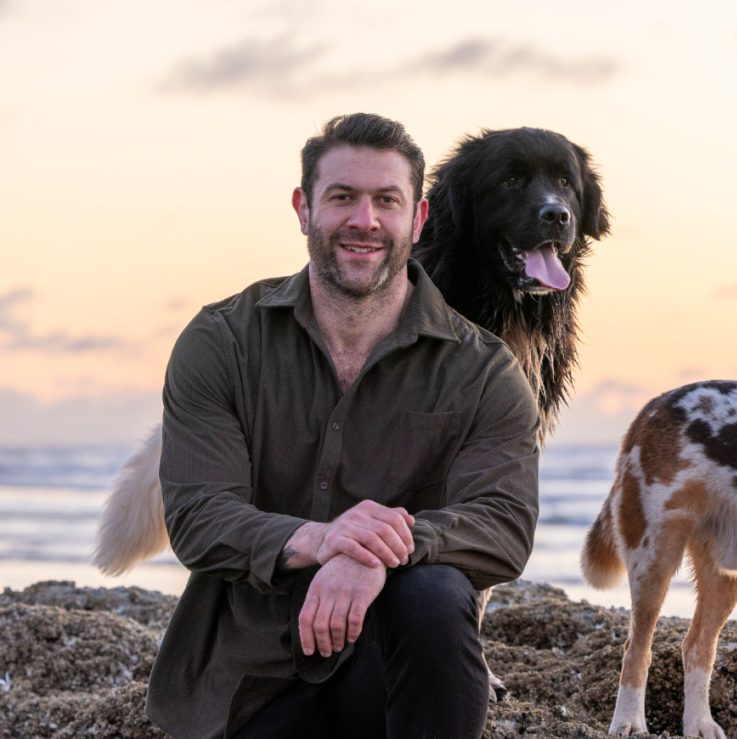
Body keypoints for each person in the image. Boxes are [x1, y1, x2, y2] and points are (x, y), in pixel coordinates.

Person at [145, 113, 540, 739]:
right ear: (304, 209)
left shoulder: (484, 370)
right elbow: (198, 518)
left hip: (388, 673)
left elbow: (504, 525)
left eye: (387, 200)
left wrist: (378, 553)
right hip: (247, 681)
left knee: (434, 592)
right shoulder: (222, 341)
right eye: (341, 198)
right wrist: (324, 540)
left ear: (418, 217)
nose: (365, 220)